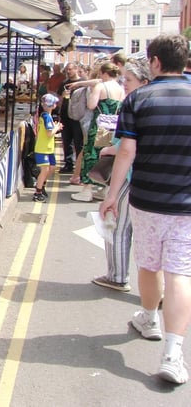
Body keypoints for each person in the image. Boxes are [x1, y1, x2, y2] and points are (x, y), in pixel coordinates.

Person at [99, 34, 191, 384]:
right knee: (180, 273)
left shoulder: (139, 98)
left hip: (148, 198)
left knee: (150, 264)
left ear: (154, 63)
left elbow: (125, 152)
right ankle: (172, 353)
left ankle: (150, 318)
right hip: (187, 202)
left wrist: (111, 194)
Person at [91, 57, 151, 292]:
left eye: (129, 79)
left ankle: (116, 276)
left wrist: (107, 149)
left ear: (144, 80)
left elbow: (126, 148)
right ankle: (159, 289)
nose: (124, 83)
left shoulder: (135, 103)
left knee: (117, 225)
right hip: (154, 178)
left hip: (131, 175)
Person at [71, 61, 124, 202]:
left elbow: (91, 105)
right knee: (106, 155)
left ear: (104, 73)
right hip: (113, 126)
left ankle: (87, 190)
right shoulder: (120, 88)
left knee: (91, 154)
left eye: (100, 73)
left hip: (99, 124)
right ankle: (104, 188)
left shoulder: (101, 86)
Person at [32, 93, 63, 202]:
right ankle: (38, 192)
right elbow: (50, 133)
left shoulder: (47, 116)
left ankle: (42, 184)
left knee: (52, 168)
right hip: (43, 148)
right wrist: (57, 127)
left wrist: (55, 127)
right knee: (45, 170)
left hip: (48, 148)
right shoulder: (46, 116)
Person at [57, 61, 83, 174]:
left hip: (78, 116)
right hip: (65, 115)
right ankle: (68, 164)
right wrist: (62, 97)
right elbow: (58, 102)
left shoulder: (82, 82)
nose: (68, 71)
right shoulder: (64, 83)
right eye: (67, 69)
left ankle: (79, 165)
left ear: (76, 69)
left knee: (78, 142)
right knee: (66, 141)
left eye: (71, 69)